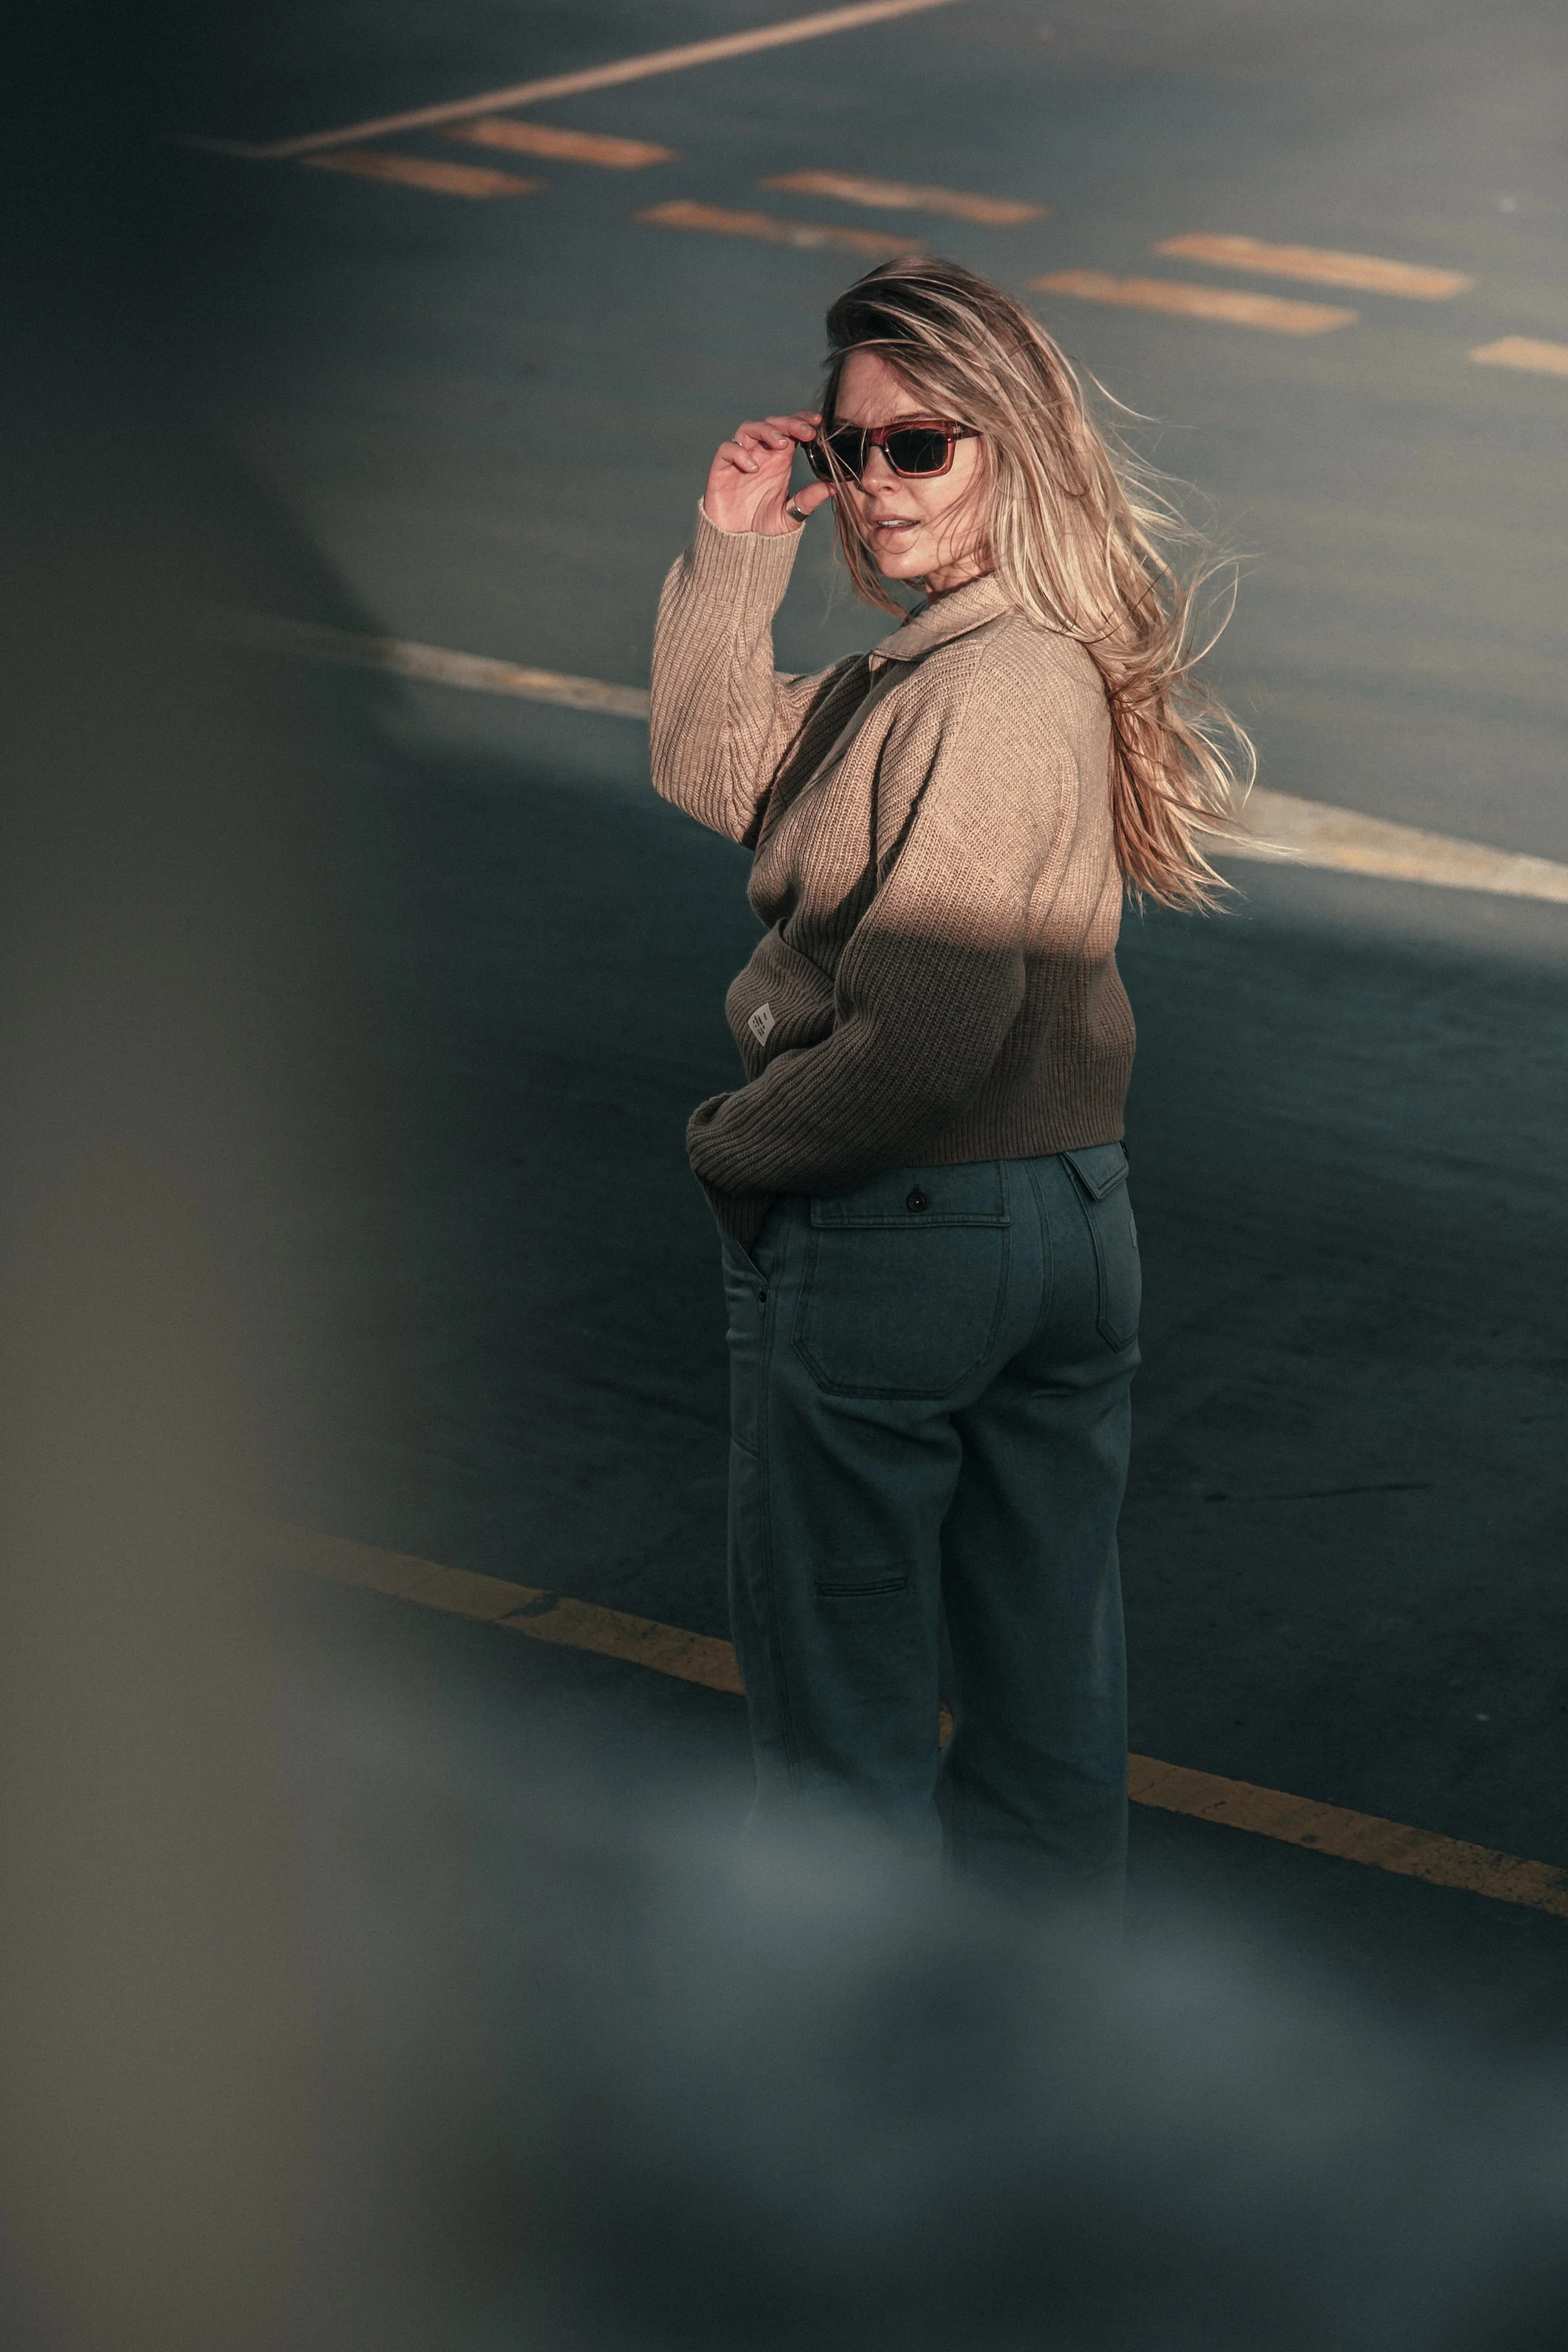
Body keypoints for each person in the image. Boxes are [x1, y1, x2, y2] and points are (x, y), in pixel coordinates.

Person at [650, 257, 1249, 1917]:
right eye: (852, 451)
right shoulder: (946, 664)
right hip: (1059, 1218)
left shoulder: (982, 688)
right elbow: (717, 770)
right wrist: (736, 538)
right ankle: (1038, 2071)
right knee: (1042, 1679)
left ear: (1011, 449)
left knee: (838, 1708)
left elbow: (920, 1040)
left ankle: (856, 2089)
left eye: (920, 448)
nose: (873, 487)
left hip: (906, 1228)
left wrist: (737, 1152)